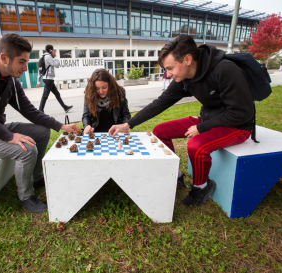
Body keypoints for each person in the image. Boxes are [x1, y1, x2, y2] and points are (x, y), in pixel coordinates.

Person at [109, 34, 254, 207]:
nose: (167, 74)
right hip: (208, 120)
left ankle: (201, 187)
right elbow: (160, 103)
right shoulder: (184, 78)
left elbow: (242, 113)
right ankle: (176, 176)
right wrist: (127, 124)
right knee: (160, 131)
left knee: (196, 146)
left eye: (170, 68)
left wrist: (201, 127)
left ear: (187, 59)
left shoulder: (225, 70)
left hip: (237, 125)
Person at [0, 33, 81, 214]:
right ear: (4, 58)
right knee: (26, 149)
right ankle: (26, 196)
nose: (25, 68)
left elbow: (29, 111)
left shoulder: (10, 81)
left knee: (42, 132)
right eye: (22, 62)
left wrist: (61, 126)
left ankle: (36, 176)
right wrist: (8, 136)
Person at [82, 69, 131, 134]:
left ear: (110, 85)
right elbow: (86, 116)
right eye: (97, 88)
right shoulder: (90, 94)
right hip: (96, 133)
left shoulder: (119, 92)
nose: (101, 91)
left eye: (104, 87)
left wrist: (124, 126)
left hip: (116, 132)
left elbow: (126, 114)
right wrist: (87, 126)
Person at [36, 44, 73, 113]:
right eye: (53, 50)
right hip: (48, 79)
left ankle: (65, 107)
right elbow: (57, 65)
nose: (53, 51)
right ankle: (40, 111)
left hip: (48, 79)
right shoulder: (48, 57)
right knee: (45, 95)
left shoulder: (43, 57)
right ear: (50, 50)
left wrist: (38, 81)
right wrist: (55, 57)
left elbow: (40, 70)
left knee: (57, 94)